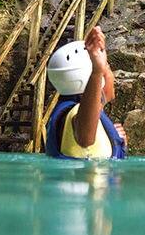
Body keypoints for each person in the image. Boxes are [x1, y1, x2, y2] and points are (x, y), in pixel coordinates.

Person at [45, 26, 128, 159]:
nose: (112, 75)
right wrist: (96, 72)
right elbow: (85, 139)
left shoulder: (67, 112)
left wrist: (116, 142)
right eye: (107, 68)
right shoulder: (75, 113)